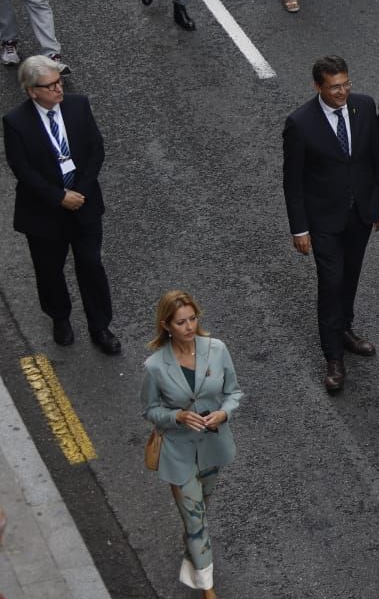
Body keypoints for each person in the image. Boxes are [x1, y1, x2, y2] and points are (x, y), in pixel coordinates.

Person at [282, 55, 379, 392]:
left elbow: (377, 156)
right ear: (318, 86)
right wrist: (299, 229)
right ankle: (333, 357)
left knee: (351, 274)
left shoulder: (364, 106)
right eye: (334, 87)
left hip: (360, 214)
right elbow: (293, 182)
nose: (342, 92)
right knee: (331, 282)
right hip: (323, 220)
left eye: (345, 84)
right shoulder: (300, 123)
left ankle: (344, 328)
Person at [3, 56, 116, 352]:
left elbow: (95, 150)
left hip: (83, 203)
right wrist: (59, 197)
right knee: (49, 270)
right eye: (50, 85)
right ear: (32, 91)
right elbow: (23, 170)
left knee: (91, 265)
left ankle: (100, 326)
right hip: (44, 212)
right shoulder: (15, 123)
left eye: (59, 82)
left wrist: (79, 191)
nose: (58, 89)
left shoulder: (78, 105)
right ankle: (60, 318)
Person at [140, 290, 241, 599]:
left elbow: (234, 392)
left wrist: (223, 413)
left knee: (199, 513)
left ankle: (195, 559)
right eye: (181, 322)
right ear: (166, 325)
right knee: (196, 520)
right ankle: (208, 590)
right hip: (178, 453)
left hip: (212, 448)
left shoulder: (217, 349)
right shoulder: (155, 366)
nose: (189, 327)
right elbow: (150, 410)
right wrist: (178, 416)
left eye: (193, 319)